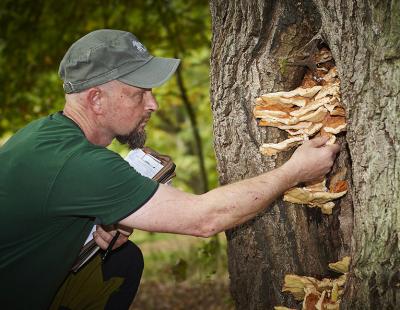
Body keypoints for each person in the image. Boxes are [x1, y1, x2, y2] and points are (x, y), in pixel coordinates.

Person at [0, 29, 340, 309]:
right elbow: (203, 219)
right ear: (95, 100)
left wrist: (85, 233)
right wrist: (294, 171)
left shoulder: (41, 136)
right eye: (139, 94)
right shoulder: (78, 164)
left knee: (122, 260)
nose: (154, 104)